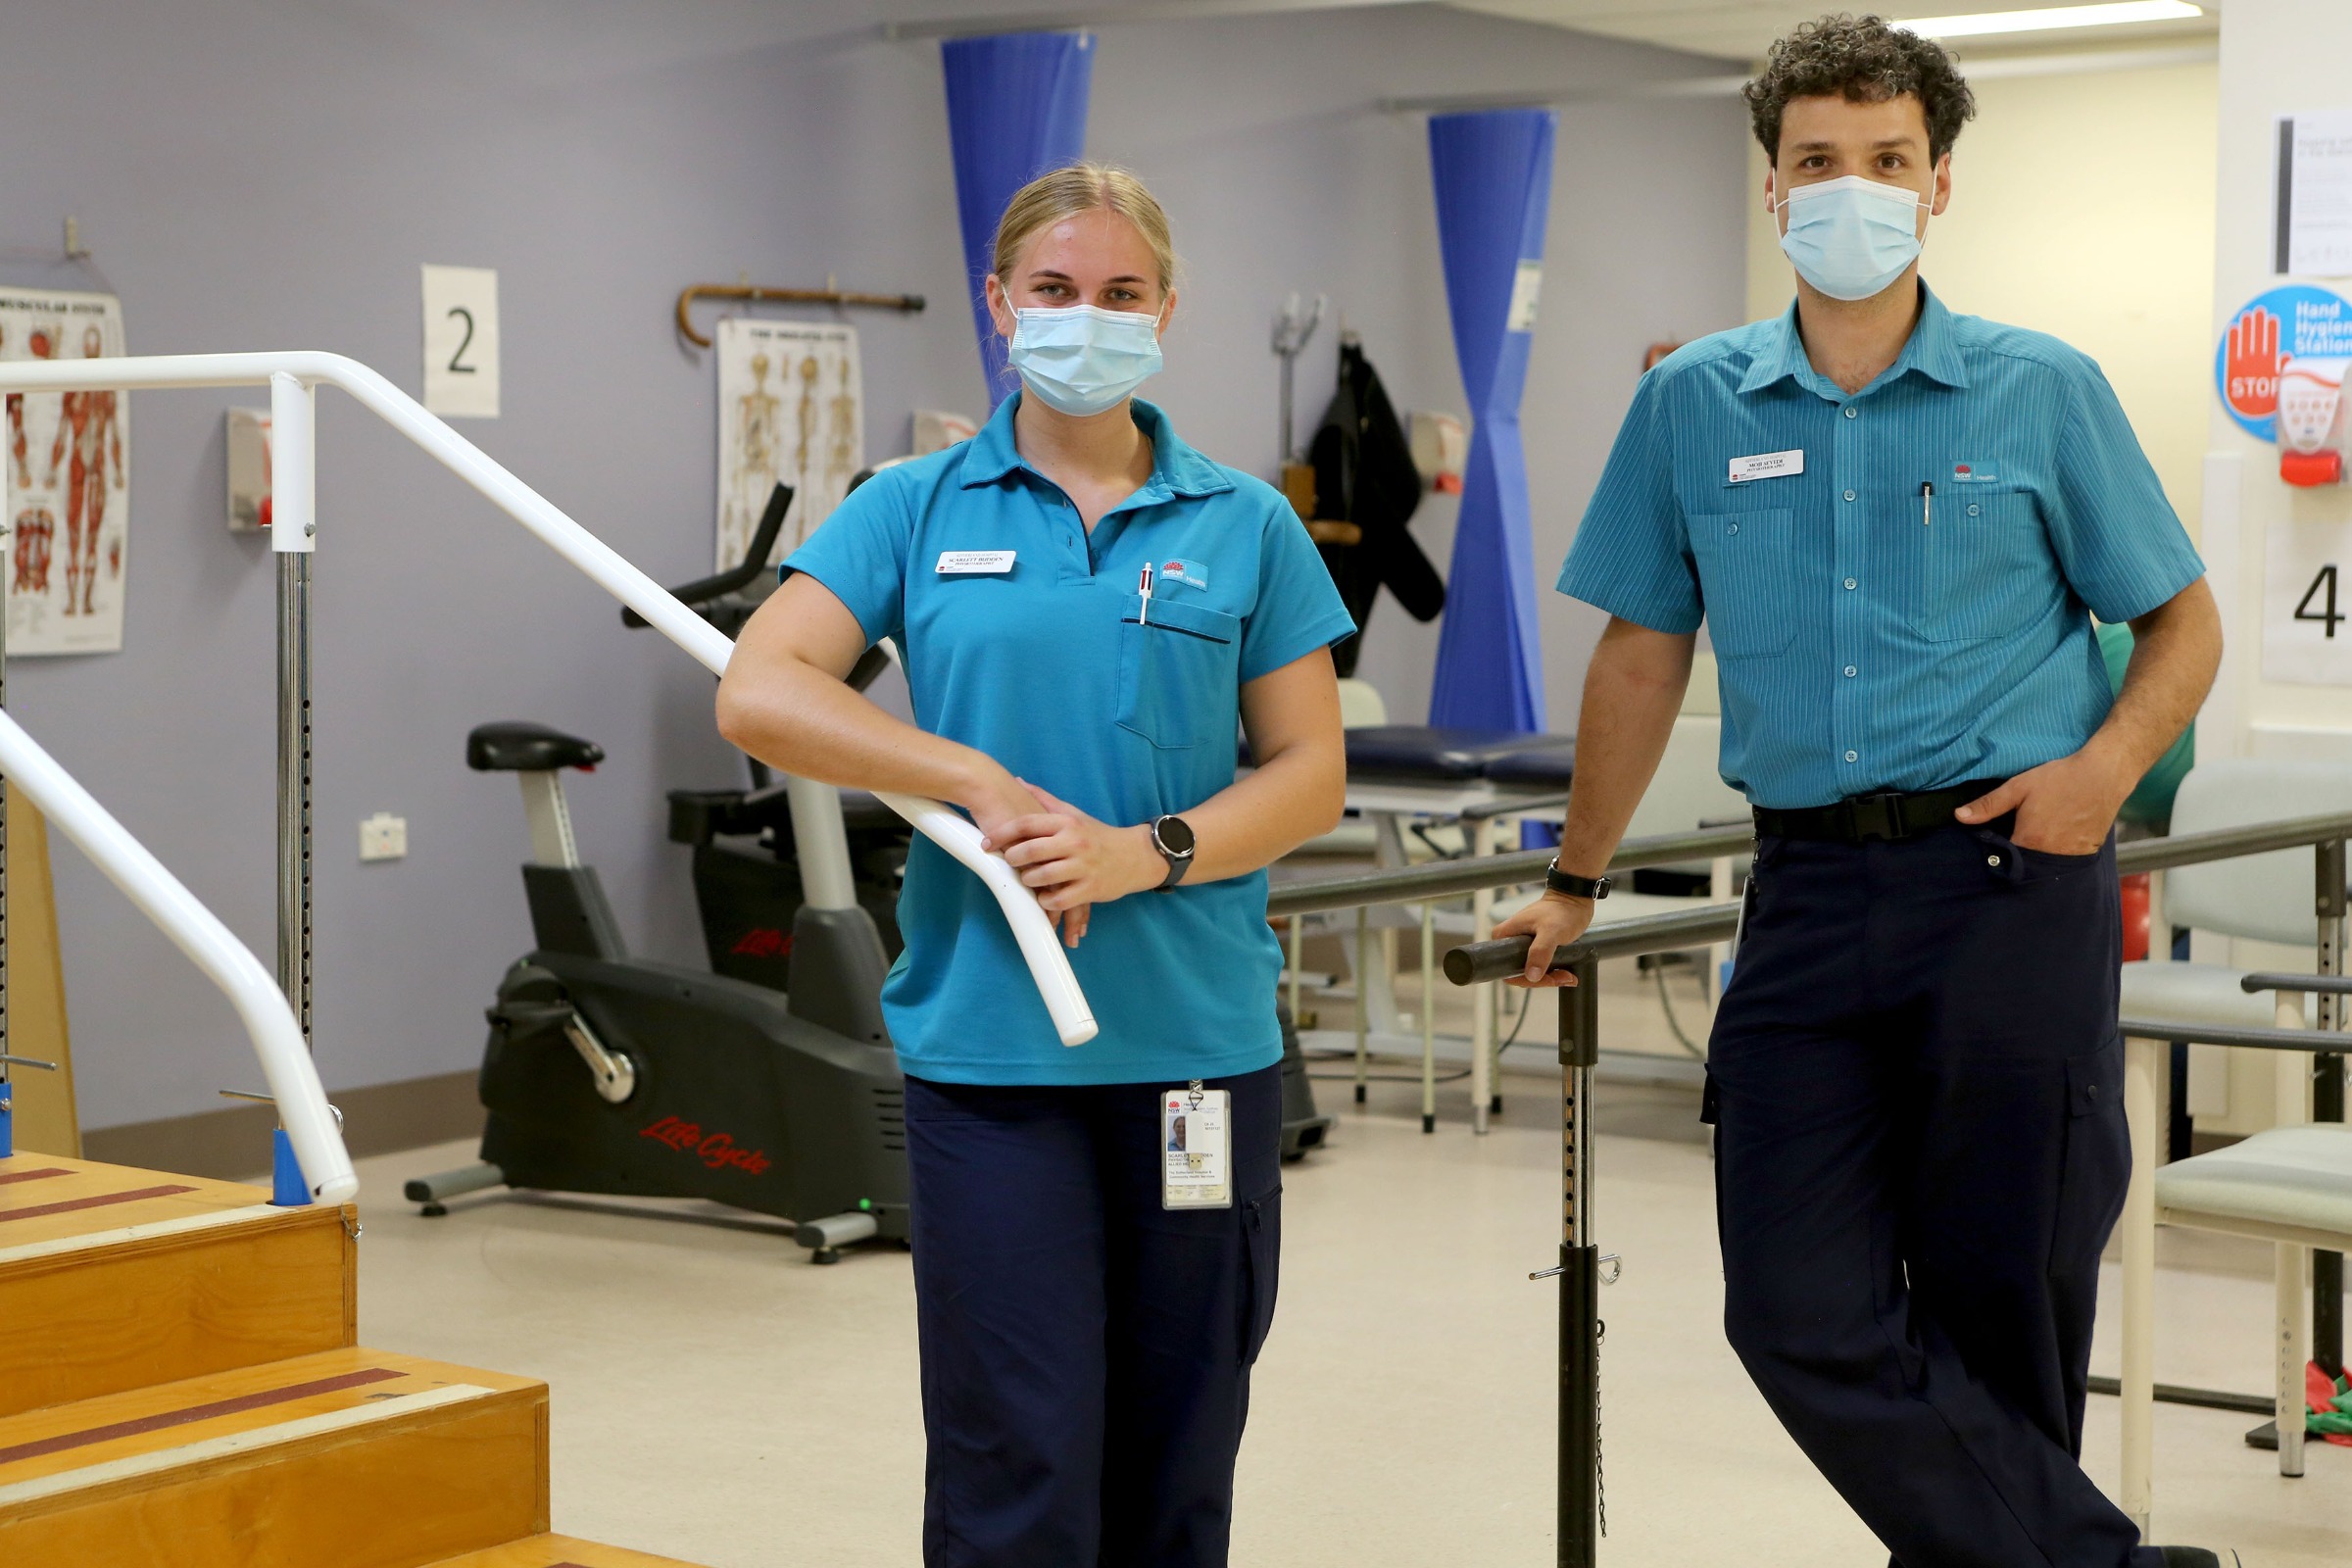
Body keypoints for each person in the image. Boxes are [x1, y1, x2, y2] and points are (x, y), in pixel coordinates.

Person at [1496, 18, 2229, 1568]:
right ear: (1773, 187)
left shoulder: (2041, 389)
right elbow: (1641, 652)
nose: (1852, 189)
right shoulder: (1695, 400)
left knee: (2004, 1302)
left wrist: (2101, 776)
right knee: (1792, 1308)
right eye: (1818, 161)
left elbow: (2180, 617)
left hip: (2007, 886)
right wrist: (1576, 876)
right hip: (1811, 895)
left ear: (1939, 183)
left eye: (1885, 161)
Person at [714, 163, 1353, 1568]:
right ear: (1002, 306)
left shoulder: (1242, 521)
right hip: (996, 1066)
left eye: (1120, 294)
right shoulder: (913, 504)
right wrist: (967, 775)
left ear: (1167, 311)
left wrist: (1146, 854)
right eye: (1055, 292)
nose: (1086, 318)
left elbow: (1309, 771)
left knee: (1180, 1446)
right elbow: (762, 690)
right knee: (1017, 1449)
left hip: (1196, 1056)